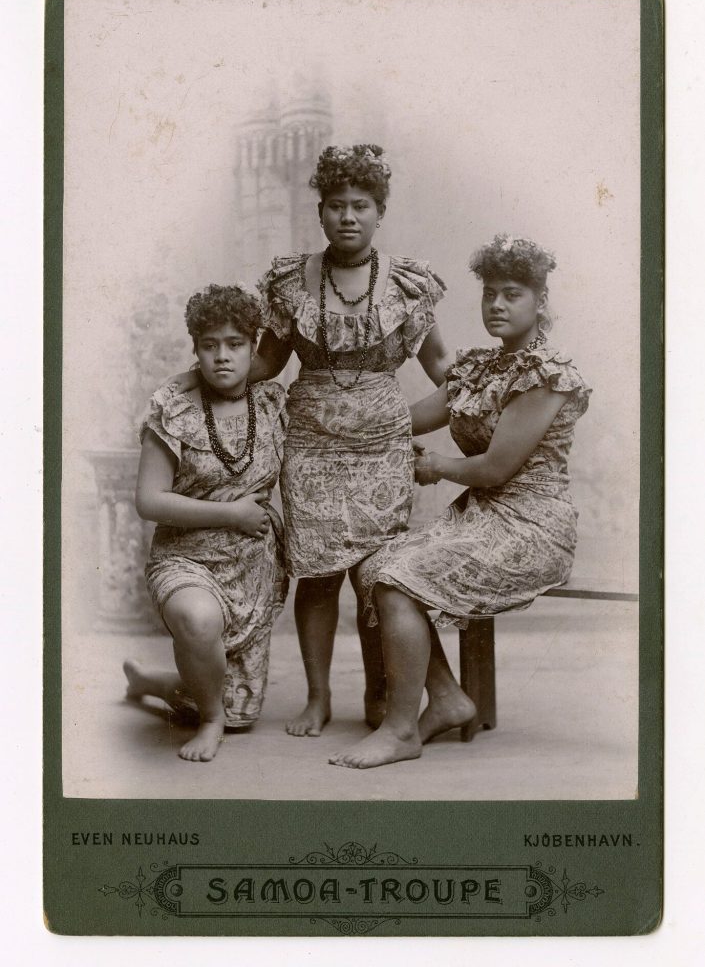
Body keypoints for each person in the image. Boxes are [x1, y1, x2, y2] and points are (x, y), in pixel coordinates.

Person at [329, 234, 591, 769]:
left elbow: (496, 468)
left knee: (396, 577)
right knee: (372, 567)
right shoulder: (477, 369)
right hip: (480, 517)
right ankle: (446, 697)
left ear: (541, 302)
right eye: (489, 293)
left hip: (532, 525)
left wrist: (436, 467)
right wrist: (336, 424)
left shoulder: (549, 375)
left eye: (512, 294)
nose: (496, 304)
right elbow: (406, 419)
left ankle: (401, 730)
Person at [252, 143, 452, 736]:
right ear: (319, 213)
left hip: (381, 451)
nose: (347, 216)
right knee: (317, 575)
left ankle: (381, 690)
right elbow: (266, 361)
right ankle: (317, 698)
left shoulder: (408, 286)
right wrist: (201, 375)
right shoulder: (291, 283)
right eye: (335, 205)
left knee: (376, 570)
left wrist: (490, 403)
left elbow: (446, 369)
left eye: (360, 205)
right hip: (310, 444)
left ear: (380, 211)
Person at [123, 284, 288, 762]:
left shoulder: (274, 404)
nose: (222, 357)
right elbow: (148, 500)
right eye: (209, 345)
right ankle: (209, 722)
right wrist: (231, 514)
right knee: (199, 623)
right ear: (195, 349)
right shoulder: (172, 412)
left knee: (240, 709)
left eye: (235, 344)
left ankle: (148, 682)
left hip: (250, 568)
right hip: (185, 559)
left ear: (253, 347)